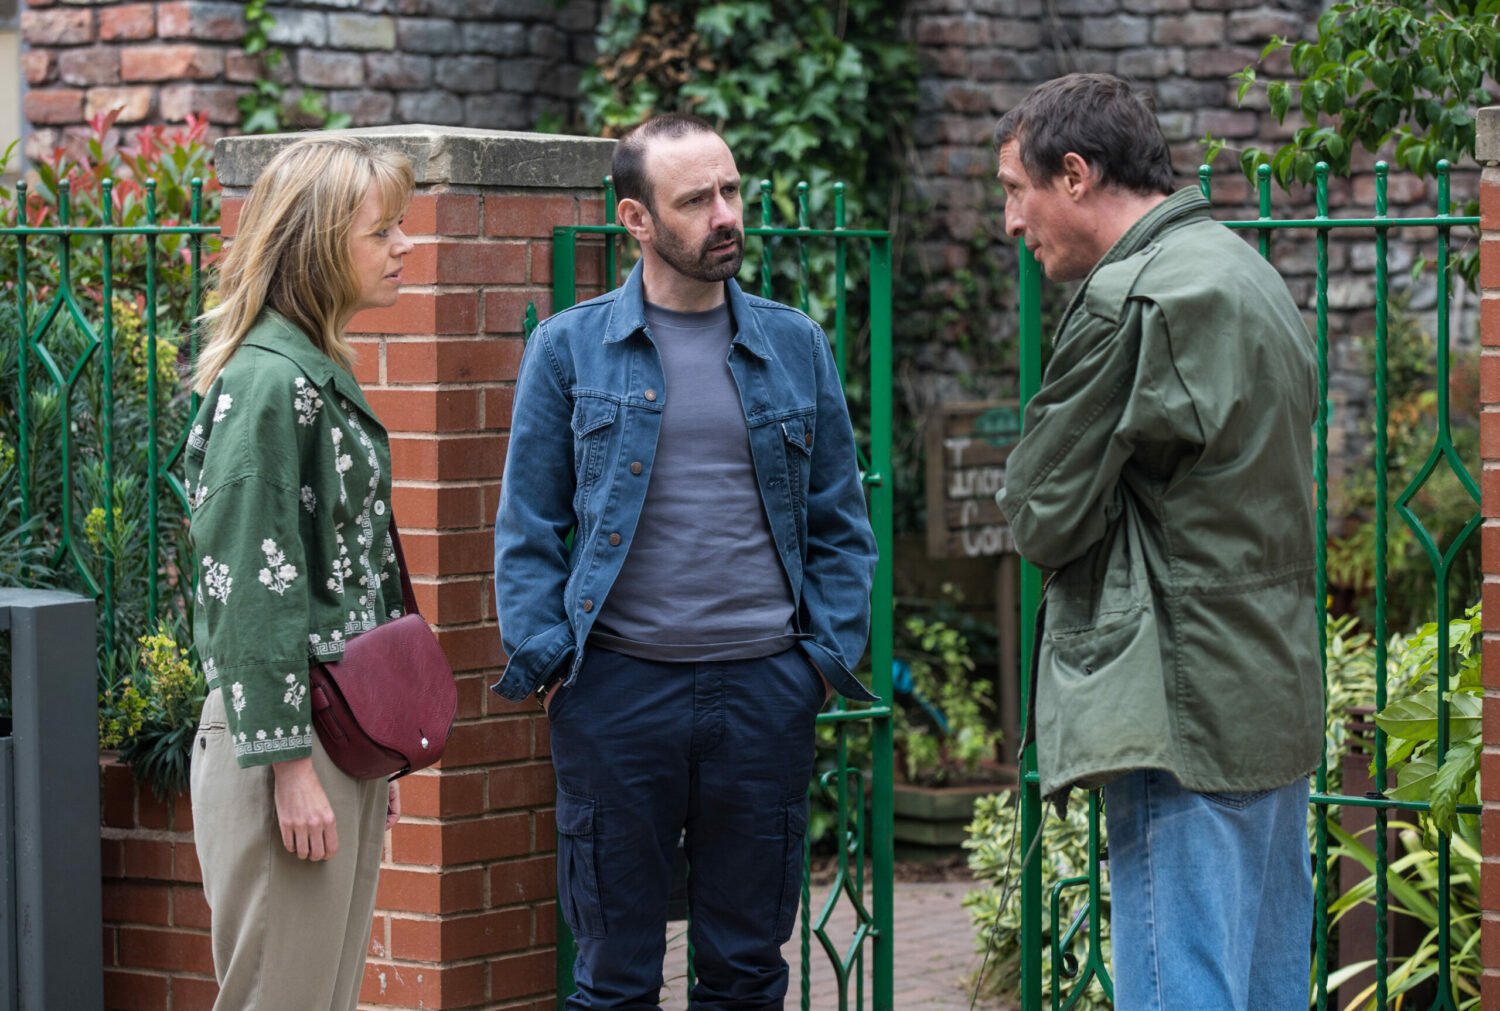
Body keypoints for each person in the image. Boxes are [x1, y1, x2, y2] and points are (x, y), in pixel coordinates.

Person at [492, 112, 878, 1009]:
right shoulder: (569, 349)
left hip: (763, 695)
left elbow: (841, 524)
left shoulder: (794, 345)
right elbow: (527, 527)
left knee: (747, 972)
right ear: (636, 220)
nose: (725, 214)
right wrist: (561, 678)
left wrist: (817, 669)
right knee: (614, 977)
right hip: (619, 696)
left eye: (732, 190)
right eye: (697, 199)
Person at [992, 74, 1323, 1010]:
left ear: (1074, 174)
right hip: (1271, 690)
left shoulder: (1132, 299)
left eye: (1014, 191)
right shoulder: (1246, 271)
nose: (1013, 224)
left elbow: (1042, 509)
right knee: (1264, 990)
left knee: (1181, 988)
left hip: (1177, 707)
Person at [186, 135, 415, 1010]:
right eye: (381, 231)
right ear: (317, 246)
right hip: (283, 733)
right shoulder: (269, 386)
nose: (404, 246)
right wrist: (288, 764)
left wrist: (371, 748)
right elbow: (247, 586)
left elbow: (347, 574)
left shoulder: (311, 373)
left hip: (332, 731)